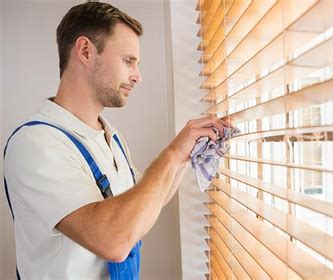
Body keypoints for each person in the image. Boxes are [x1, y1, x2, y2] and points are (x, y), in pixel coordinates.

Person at [3, 2, 231, 279]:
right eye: (128, 61)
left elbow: (145, 203)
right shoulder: (36, 144)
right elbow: (113, 241)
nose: (137, 76)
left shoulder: (111, 137)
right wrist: (173, 154)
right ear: (86, 51)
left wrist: (186, 153)